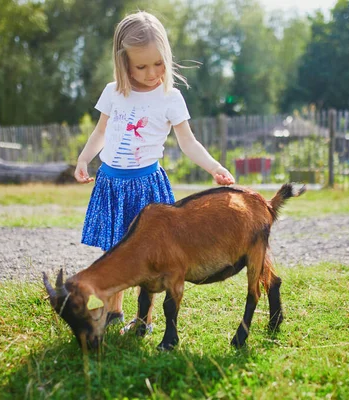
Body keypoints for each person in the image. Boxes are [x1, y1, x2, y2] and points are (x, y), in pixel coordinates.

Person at [74, 11, 235, 331]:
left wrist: (215, 167)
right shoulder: (113, 92)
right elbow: (100, 133)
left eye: (158, 63)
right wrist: (83, 159)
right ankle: (111, 312)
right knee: (116, 250)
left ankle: (142, 320)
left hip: (145, 186)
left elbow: (188, 142)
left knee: (149, 255)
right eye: (141, 66)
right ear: (124, 64)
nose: (152, 73)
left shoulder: (169, 98)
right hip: (112, 183)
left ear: (167, 55)